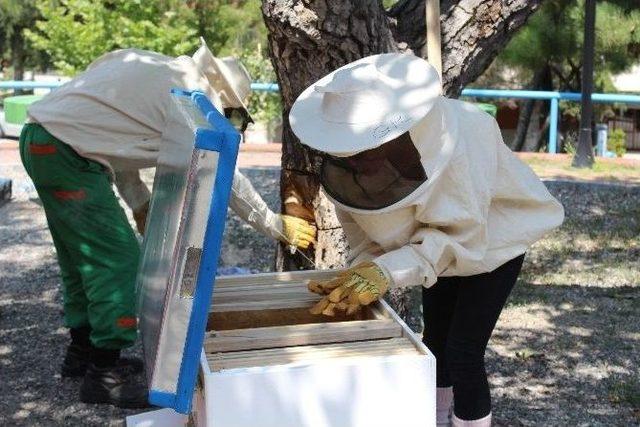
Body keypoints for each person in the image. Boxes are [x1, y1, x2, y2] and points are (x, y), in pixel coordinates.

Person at [19, 39, 316, 408]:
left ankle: (81, 355)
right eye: (236, 116)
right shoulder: (193, 94)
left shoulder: (158, 69)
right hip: (65, 152)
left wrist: (141, 204)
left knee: (80, 258)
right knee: (119, 261)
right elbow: (228, 176)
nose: (232, 123)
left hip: (42, 141)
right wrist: (273, 224)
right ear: (226, 99)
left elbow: (112, 143)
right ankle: (103, 375)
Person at [289, 53, 564, 427]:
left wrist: (386, 272)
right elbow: (364, 239)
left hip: (493, 244)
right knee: (434, 342)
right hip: (433, 252)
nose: (358, 164)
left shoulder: (466, 135)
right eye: (348, 155)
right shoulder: (347, 170)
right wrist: (362, 274)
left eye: (364, 152)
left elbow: (462, 239)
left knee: (463, 351)